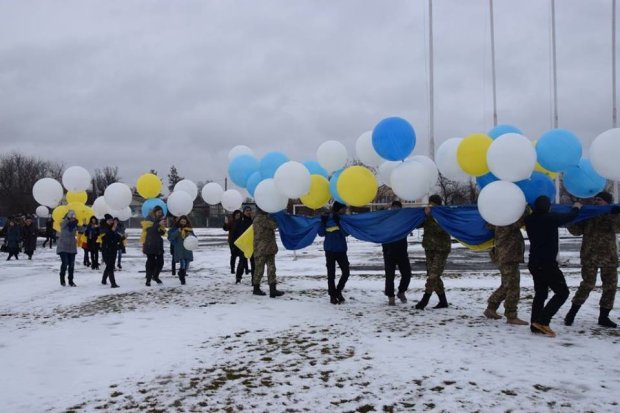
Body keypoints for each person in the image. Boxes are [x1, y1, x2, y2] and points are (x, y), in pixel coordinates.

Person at [524, 195, 581, 337]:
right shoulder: (551, 218)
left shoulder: (529, 219)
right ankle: (543, 321)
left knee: (541, 294)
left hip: (534, 262)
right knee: (562, 293)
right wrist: (576, 207)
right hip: (547, 263)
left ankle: (535, 325)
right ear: (548, 207)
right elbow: (569, 217)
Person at [564, 191, 620, 328]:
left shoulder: (612, 213)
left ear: (607, 202)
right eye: (595, 199)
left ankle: (603, 317)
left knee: (610, 287)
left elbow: (617, 228)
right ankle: (571, 314)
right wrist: (572, 217)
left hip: (609, 256)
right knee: (587, 285)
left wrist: (615, 214)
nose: (596, 202)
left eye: (600, 200)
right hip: (590, 255)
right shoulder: (588, 214)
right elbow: (576, 231)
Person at [484, 218, 529, 325]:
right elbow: (521, 221)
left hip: (505, 256)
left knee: (506, 285)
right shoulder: (505, 220)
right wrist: (526, 208)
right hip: (508, 257)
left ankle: (491, 308)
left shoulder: (496, 219)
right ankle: (511, 316)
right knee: (513, 286)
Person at [415, 195, 451, 310]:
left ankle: (425, 300)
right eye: (430, 203)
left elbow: (441, 229)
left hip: (441, 249)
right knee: (434, 276)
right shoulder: (428, 214)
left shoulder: (443, 215)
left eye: (433, 204)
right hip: (429, 248)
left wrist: (429, 215)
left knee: (433, 275)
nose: (431, 206)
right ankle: (443, 301)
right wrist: (421, 216)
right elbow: (417, 224)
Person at [318, 201, 350, 304]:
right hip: (330, 250)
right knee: (331, 275)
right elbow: (321, 233)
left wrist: (339, 224)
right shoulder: (327, 218)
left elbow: (346, 233)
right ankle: (332, 295)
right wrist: (323, 222)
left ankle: (338, 291)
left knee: (346, 272)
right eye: (343, 208)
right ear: (338, 209)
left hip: (341, 250)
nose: (345, 210)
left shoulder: (342, 219)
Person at [382, 200, 411, 306]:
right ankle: (391, 296)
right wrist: (382, 210)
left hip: (402, 252)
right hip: (389, 252)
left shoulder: (403, 220)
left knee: (407, 274)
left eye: (397, 207)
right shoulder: (386, 218)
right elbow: (377, 219)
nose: (395, 209)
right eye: (394, 207)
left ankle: (401, 292)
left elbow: (416, 222)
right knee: (389, 277)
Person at [252, 207, 284, 297]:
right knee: (260, 269)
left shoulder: (260, 217)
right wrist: (276, 217)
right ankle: (257, 288)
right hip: (262, 248)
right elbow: (274, 225)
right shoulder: (261, 218)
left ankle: (272, 289)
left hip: (266, 248)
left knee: (271, 269)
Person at [141, 205, 166, 286]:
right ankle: (148, 280)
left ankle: (155, 276)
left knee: (160, 262)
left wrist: (162, 227)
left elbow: (161, 233)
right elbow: (151, 230)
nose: (160, 214)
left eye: (161, 212)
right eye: (159, 212)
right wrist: (158, 224)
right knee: (150, 263)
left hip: (158, 244)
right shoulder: (148, 219)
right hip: (150, 244)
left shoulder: (160, 220)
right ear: (155, 212)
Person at [168, 215, 195, 285]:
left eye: (184, 221)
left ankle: (181, 273)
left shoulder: (189, 229)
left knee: (186, 265)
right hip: (179, 249)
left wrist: (191, 235)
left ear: (186, 222)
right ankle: (182, 279)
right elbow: (170, 237)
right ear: (179, 221)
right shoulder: (175, 228)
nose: (183, 222)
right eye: (182, 221)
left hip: (187, 249)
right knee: (182, 264)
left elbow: (195, 238)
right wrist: (177, 232)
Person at [231, 206, 254, 284]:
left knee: (254, 263)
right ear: (243, 212)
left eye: (250, 210)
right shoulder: (239, 221)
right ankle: (238, 278)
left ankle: (254, 280)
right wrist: (234, 246)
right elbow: (234, 234)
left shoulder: (253, 221)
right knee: (242, 262)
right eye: (247, 210)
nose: (249, 212)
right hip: (243, 246)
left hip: (252, 245)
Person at [56, 210, 79, 286]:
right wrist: (68, 218)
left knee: (71, 265)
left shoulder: (75, 225)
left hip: (72, 247)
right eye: (71, 217)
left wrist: (84, 224)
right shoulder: (64, 224)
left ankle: (71, 280)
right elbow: (63, 225)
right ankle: (62, 279)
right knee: (65, 263)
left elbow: (82, 230)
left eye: (73, 217)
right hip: (63, 247)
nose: (72, 218)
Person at [100, 214, 120, 288]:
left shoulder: (113, 228)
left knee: (110, 265)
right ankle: (113, 283)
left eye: (112, 220)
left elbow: (116, 238)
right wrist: (112, 230)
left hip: (113, 249)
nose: (111, 222)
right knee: (110, 266)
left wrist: (122, 237)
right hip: (106, 249)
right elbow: (105, 237)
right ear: (106, 221)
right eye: (110, 220)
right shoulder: (103, 227)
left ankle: (104, 280)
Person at [223, 209, 242, 274]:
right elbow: (226, 228)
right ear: (234, 215)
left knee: (242, 256)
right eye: (237, 215)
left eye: (239, 215)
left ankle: (245, 269)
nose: (238, 216)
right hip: (232, 242)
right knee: (233, 256)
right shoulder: (231, 222)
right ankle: (232, 269)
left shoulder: (242, 222)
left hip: (241, 242)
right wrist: (225, 223)